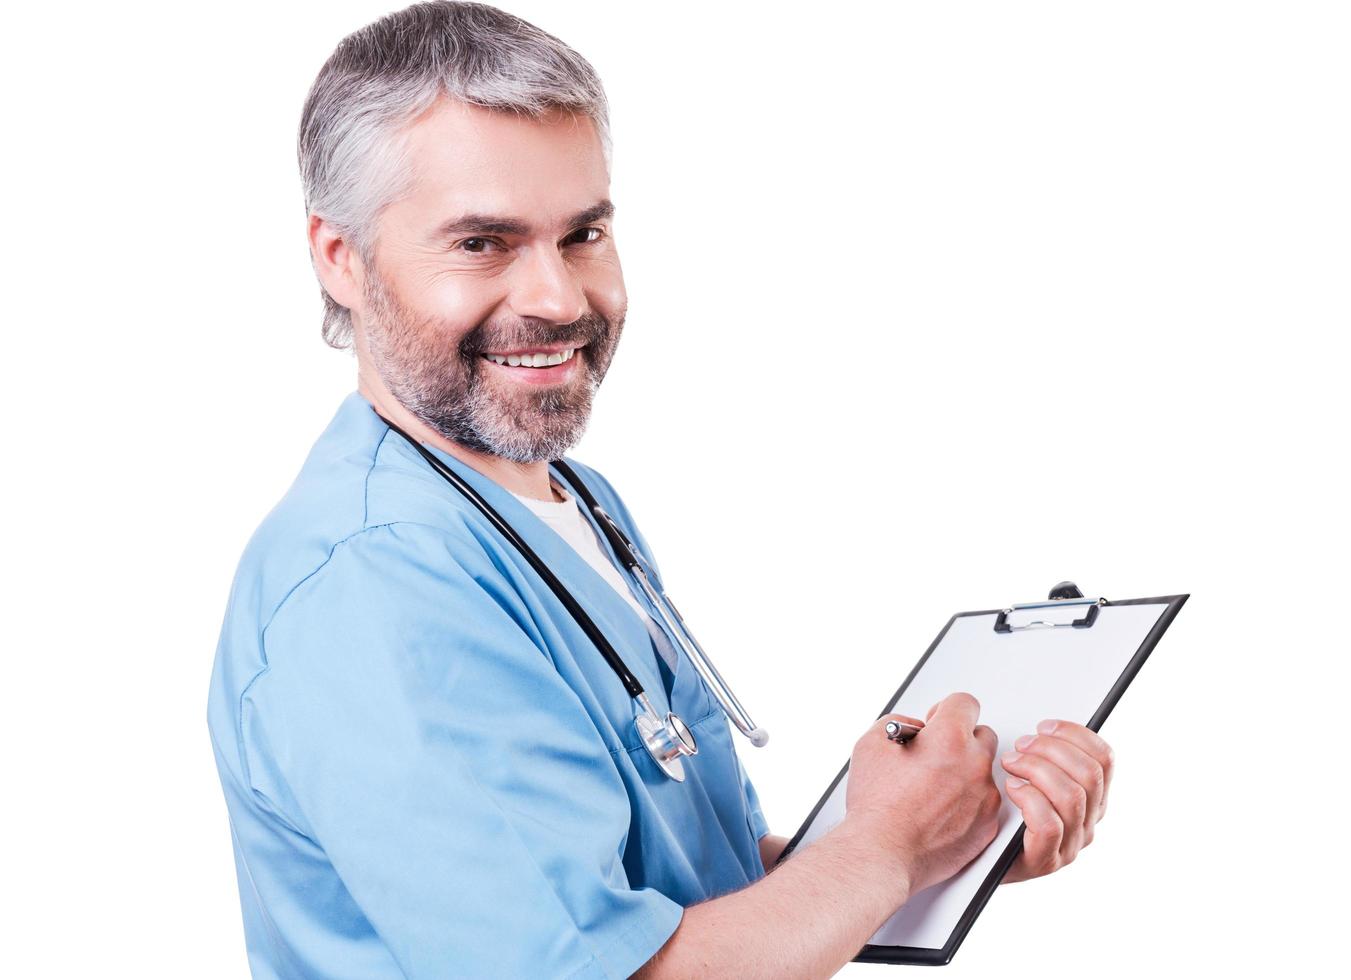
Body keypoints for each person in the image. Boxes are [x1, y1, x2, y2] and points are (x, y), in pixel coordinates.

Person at [205, 3, 1117, 976]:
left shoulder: (567, 501)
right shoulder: (373, 581)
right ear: (339, 258)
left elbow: (688, 897)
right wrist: (884, 845)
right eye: (482, 243)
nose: (557, 298)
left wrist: (944, 837)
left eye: (583, 232)